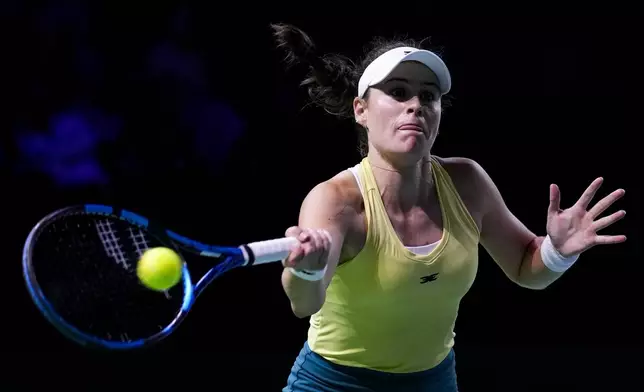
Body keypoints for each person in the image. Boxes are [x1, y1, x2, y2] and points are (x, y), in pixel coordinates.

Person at [271, 23, 627, 392]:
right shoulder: (335, 201)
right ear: (360, 110)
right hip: (334, 383)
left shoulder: (467, 183)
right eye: (398, 92)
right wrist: (307, 271)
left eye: (428, 96)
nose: (415, 105)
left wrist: (557, 252)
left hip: (433, 381)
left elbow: (526, 267)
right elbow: (304, 303)